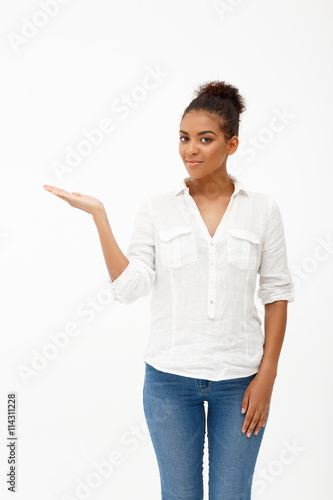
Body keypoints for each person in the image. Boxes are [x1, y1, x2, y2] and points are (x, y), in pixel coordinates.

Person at [43, 80, 295, 499]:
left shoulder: (262, 209)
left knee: (233, 494)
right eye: (184, 138)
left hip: (241, 381)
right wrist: (100, 218)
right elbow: (129, 288)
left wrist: (267, 374)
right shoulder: (157, 208)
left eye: (205, 139)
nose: (190, 149)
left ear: (232, 144)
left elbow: (277, 294)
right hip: (168, 381)